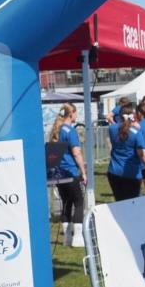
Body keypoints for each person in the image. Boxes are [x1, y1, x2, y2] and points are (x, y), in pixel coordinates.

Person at [48, 103, 87, 248]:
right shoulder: (70, 131)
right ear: (71, 114)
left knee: (66, 203)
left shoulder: (56, 129)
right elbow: (76, 153)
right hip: (70, 171)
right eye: (76, 113)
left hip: (59, 172)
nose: (76, 116)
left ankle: (67, 238)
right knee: (78, 202)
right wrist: (83, 171)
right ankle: (77, 238)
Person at [106, 103, 145, 200]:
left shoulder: (112, 129)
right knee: (132, 202)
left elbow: (119, 130)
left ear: (119, 116)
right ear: (133, 116)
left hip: (114, 172)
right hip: (131, 173)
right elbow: (142, 154)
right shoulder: (136, 132)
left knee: (119, 201)